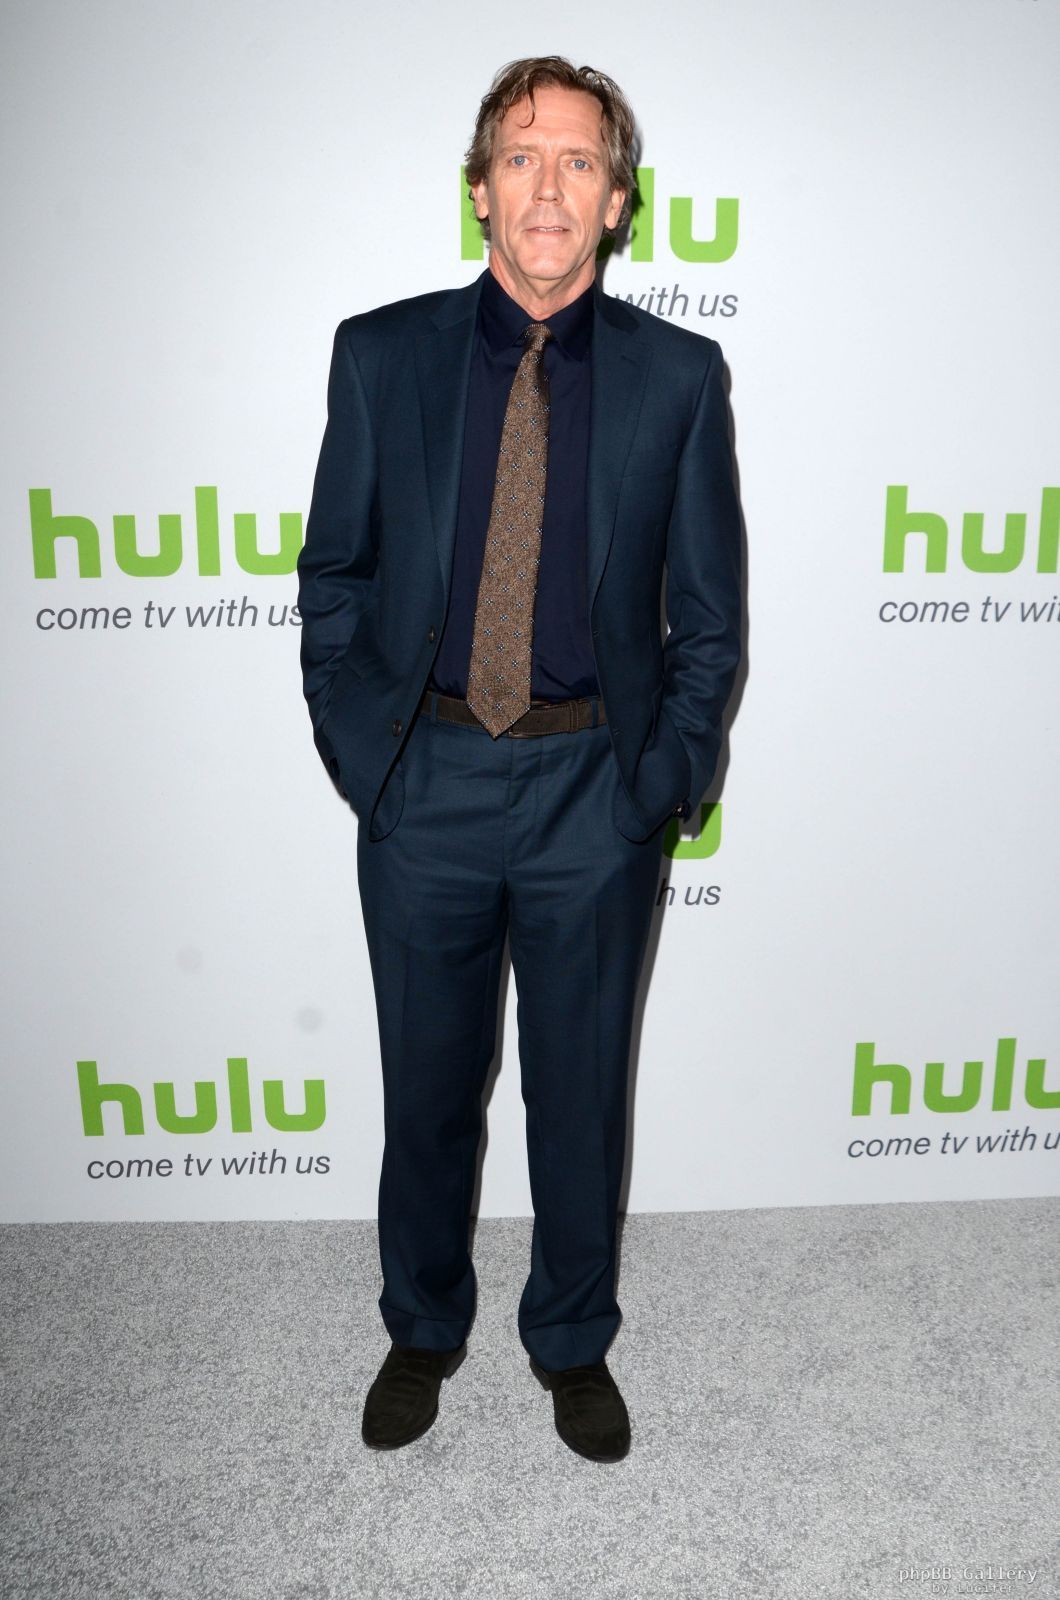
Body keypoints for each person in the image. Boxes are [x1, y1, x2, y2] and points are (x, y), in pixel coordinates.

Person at [296, 55, 741, 1463]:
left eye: (581, 161)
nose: (550, 187)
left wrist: (661, 782)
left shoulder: (681, 378)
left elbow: (709, 618)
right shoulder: (380, 356)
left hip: (594, 794)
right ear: (480, 190)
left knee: (580, 1096)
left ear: (618, 203)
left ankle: (572, 1338)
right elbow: (334, 575)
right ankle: (423, 1325)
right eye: (523, 157)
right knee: (428, 1090)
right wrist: (364, 754)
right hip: (424, 783)